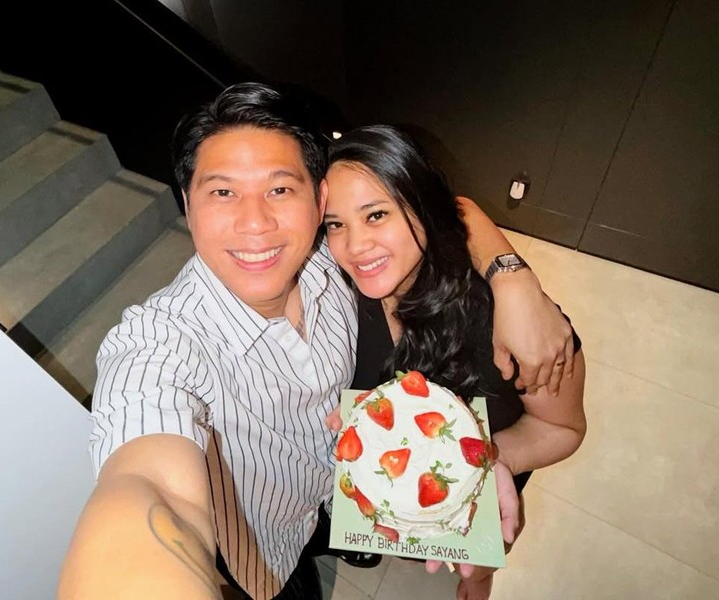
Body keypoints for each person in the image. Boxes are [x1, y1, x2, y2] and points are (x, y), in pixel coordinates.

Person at [58, 83, 577, 600]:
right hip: (267, 553)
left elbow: (445, 207)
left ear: (317, 198)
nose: (255, 223)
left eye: (280, 189)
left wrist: (512, 279)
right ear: (187, 205)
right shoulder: (159, 344)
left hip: (341, 496)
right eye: (223, 192)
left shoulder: (332, 259)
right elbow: (150, 487)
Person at [322, 125, 587, 600]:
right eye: (335, 224)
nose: (354, 246)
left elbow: (563, 427)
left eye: (376, 215)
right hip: (387, 493)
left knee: (480, 553)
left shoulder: (508, 325)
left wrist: (480, 463)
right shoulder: (340, 288)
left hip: (480, 487)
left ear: (424, 207)